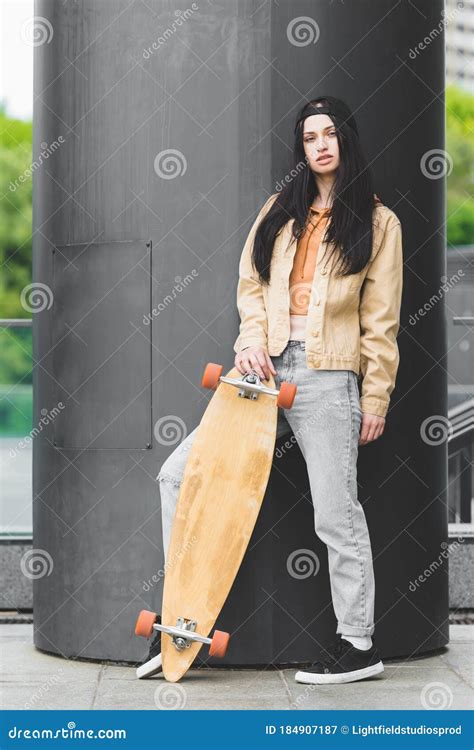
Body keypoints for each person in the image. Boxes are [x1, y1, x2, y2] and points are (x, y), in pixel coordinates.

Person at [144, 96, 403, 685]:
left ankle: (357, 645)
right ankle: (183, 620)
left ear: (347, 141)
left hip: (328, 374)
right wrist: (249, 344)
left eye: (330, 134)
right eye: (310, 137)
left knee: (336, 513)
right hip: (261, 370)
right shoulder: (279, 212)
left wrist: (376, 397)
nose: (321, 145)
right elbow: (252, 287)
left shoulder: (380, 224)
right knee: (179, 474)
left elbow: (380, 323)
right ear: (301, 149)